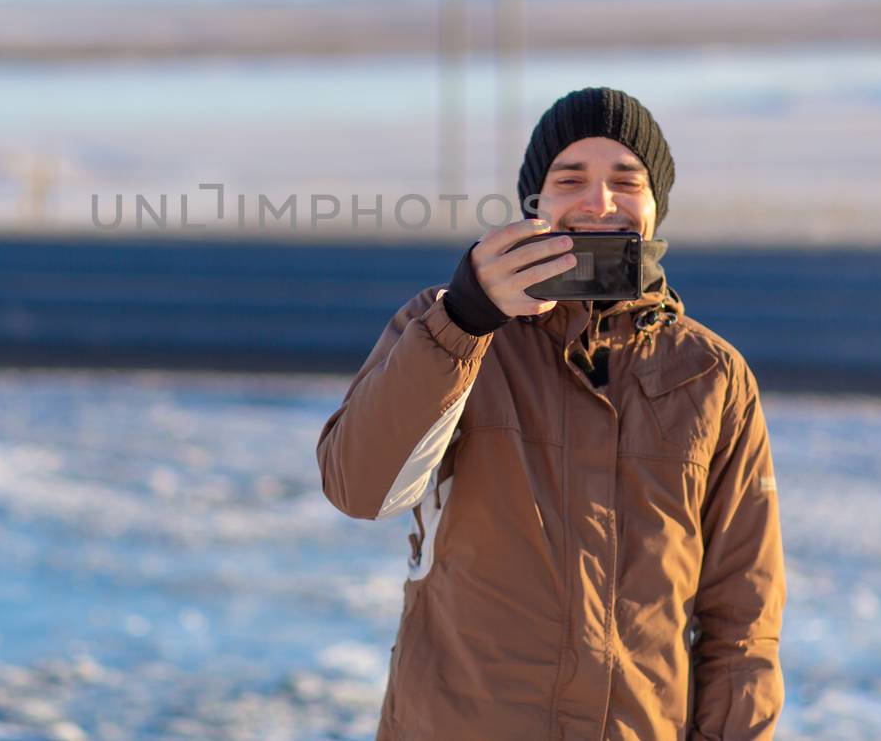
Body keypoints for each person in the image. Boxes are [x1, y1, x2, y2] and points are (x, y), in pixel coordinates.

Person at [316, 87, 785, 741]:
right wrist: (464, 321)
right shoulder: (447, 329)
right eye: (572, 179)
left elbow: (743, 621)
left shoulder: (712, 377)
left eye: (627, 181)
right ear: (534, 205)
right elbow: (358, 485)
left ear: (656, 210)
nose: (600, 202)